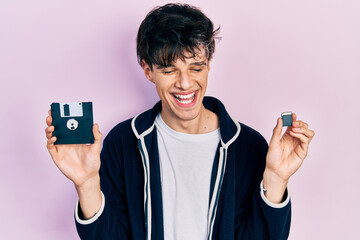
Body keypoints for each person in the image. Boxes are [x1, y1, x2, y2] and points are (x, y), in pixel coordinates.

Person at [45, 3, 314, 240]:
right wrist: (87, 184)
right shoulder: (124, 141)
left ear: (209, 64)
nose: (185, 84)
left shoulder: (248, 146)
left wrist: (277, 179)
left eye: (196, 68)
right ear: (148, 70)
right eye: (169, 69)